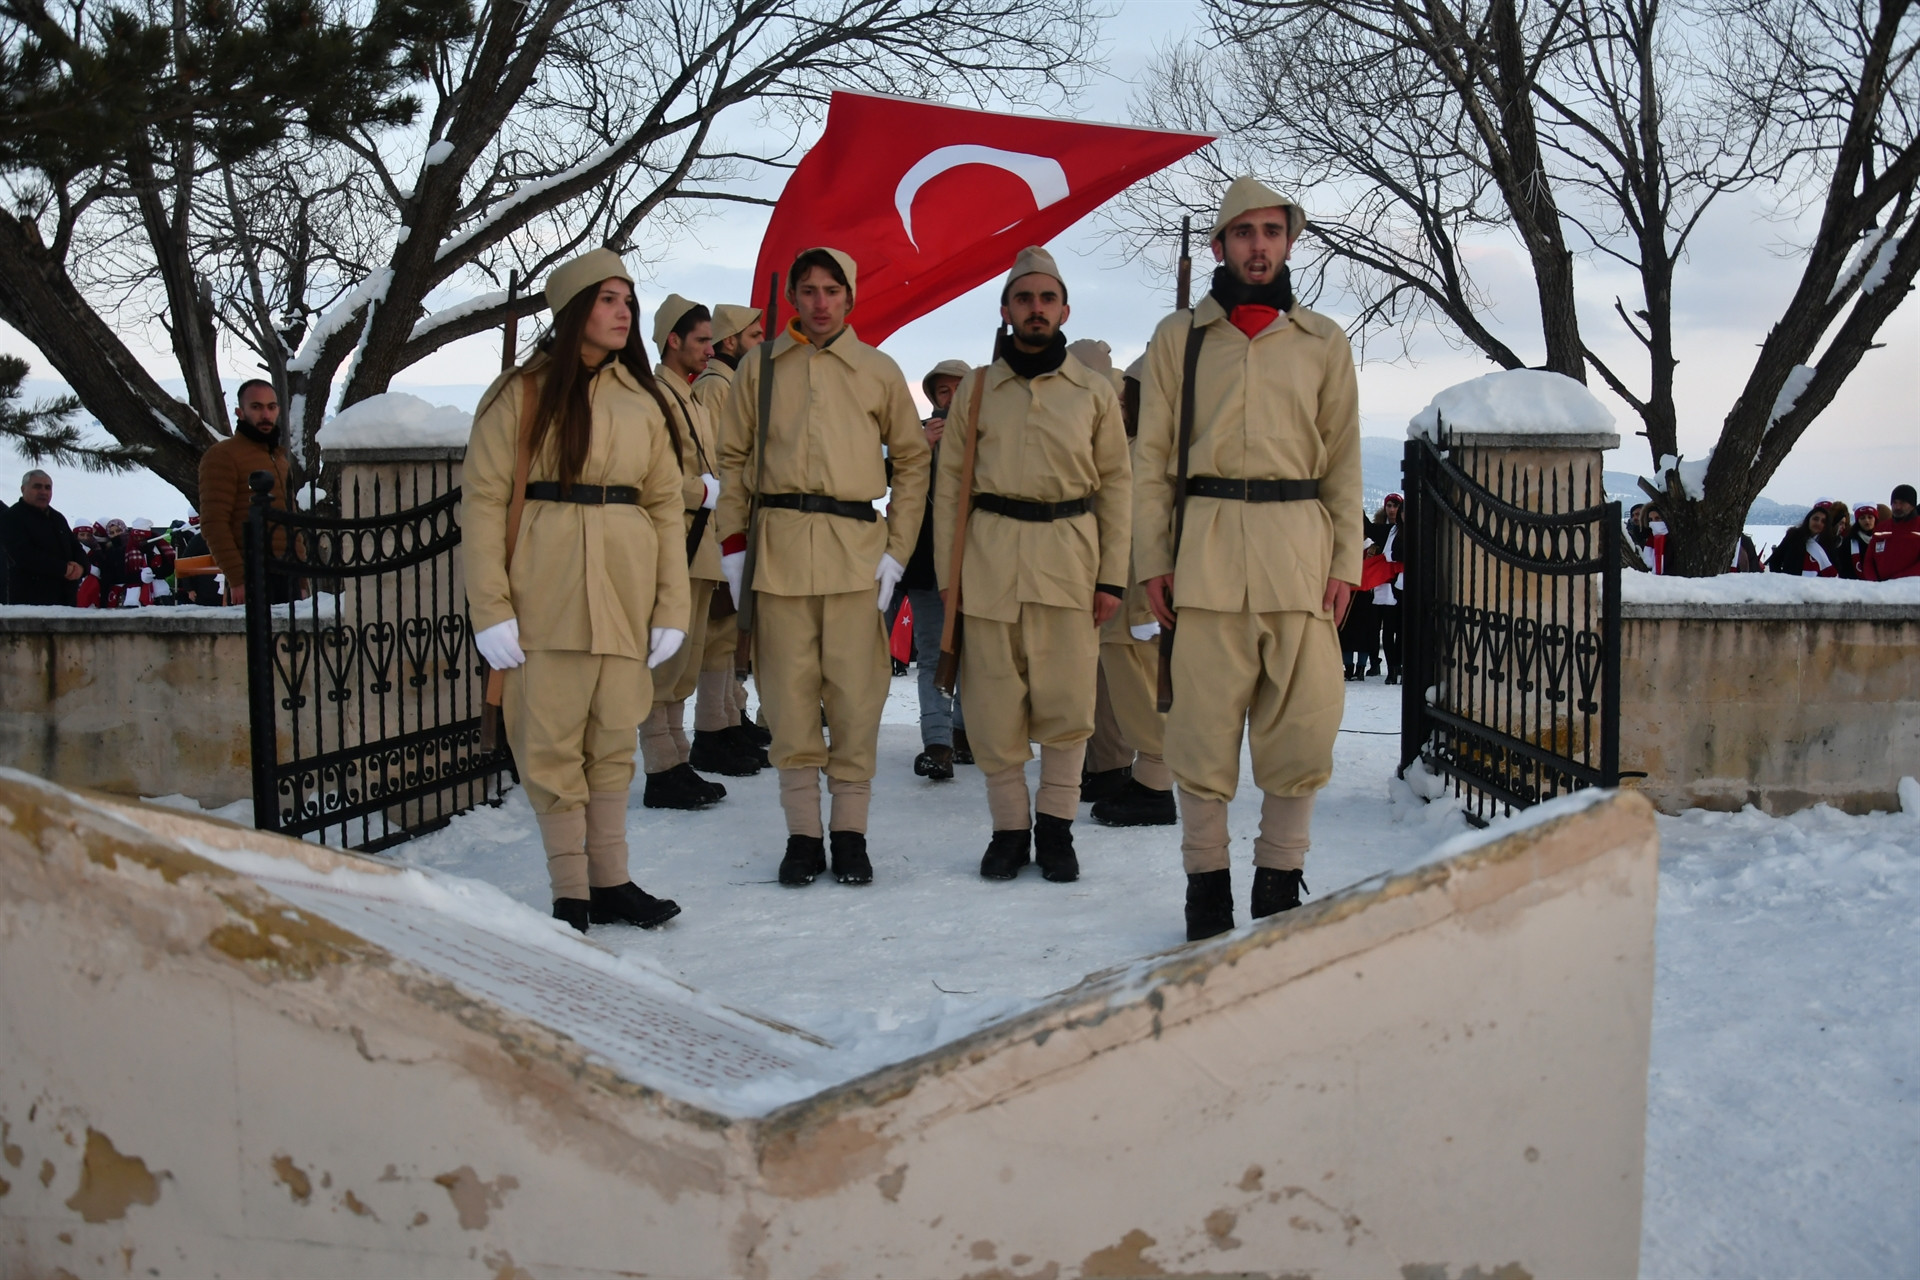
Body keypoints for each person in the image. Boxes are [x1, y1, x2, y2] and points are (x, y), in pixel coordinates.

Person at [1134, 176, 1362, 942]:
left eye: (1271, 231)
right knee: (1199, 735)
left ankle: (1278, 881)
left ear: (1289, 242)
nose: (1258, 246)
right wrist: (1152, 560)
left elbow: (1344, 461)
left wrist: (1345, 563)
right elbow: (1153, 458)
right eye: (1244, 233)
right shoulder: (1179, 339)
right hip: (1205, 556)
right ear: (1219, 246)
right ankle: (1207, 891)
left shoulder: (1324, 341)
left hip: (1298, 554)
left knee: (1302, 731)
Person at [463, 247, 690, 934]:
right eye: (608, 300)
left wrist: (671, 605)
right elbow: (482, 500)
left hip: (624, 598)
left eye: (629, 300)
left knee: (613, 740)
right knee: (552, 745)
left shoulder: (643, 400)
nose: (624, 312)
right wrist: (491, 608)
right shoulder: (520, 393)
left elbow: (665, 505)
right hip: (545, 598)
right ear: (573, 311)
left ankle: (611, 881)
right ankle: (571, 892)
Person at [717, 247, 931, 888]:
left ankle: (850, 833)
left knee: (858, 700)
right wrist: (732, 545)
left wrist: (898, 548)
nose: (818, 301)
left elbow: (913, 461)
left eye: (831, 289)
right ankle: (804, 836)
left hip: (855, 554)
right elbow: (733, 460)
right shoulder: (758, 368)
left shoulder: (878, 370)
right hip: (777, 549)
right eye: (807, 289)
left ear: (850, 296)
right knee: (786, 701)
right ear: (794, 299)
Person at [933, 247, 1131, 882]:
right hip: (990, 563)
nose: (1036, 309)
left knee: (1069, 707)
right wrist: (949, 577)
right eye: (1025, 298)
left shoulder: (1094, 393)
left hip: (1069, 562)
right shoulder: (977, 390)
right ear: (1007, 309)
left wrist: (1111, 577)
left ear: (1064, 308)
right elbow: (950, 487)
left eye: (1047, 298)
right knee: (994, 708)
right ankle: (1009, 832)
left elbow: (1117, 487)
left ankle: (1057, 830)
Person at [637, 294, 758, 807]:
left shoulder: (683, 394)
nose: (709, 350)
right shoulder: (659, 396)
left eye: (712, 340)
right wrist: (700, 492)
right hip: (676, 538)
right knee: (667, 662)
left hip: (700, 539)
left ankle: (678, 759)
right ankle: (662, 766)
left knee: (686, 661)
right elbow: (651, 474)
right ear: (673, 340)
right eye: (702, 340)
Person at [1090, 354, 1178, 828]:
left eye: (1132, 393)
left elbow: (1153, 530)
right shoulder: (1140, 446)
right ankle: (1148, 779)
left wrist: (1145, 601)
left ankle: (1155, 788)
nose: (1123, 400)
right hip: (1123, 593)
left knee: (1144, 695)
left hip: (1137, 600)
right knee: (1133, 694)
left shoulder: (1151, 452)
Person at [691, 302, 768, 745]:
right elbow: (721, 460)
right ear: (730, 341)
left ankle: (727, 719)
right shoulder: (715, 387)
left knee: (727, 631)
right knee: (717, 629)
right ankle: (714, 727)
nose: (760, 343)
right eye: (754, 336)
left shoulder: (733, 385)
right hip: (721, 524)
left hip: (735, 519)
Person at [895, 357, 971, 781]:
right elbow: (884, 474)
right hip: (926, 565)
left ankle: (963, 732)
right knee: (931, 654)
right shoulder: (918, 436)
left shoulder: (992, 435)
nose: (952, 399)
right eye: (944, 392)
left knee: (975, 657)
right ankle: (937, 744)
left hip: (980, 564)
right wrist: (919, 448)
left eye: (960, 390)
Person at [197, 379, 297, 604]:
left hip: (287, 571)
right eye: (256, 407)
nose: (265, 414)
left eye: (271, 407)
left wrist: (300, 580)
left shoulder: (280, 459)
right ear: (240, 412)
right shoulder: (222, 455)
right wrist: (237, 578)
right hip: (252, 571)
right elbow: (214, 523)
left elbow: (292, 520)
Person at [0, 469, 86, 605]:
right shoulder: (12, 517)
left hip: (66, 602)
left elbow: (76, 548)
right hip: (30, 603)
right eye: (37, 486)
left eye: (47, 487)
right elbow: (23, 555)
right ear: (23, 489)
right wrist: (63, 569)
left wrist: (81, 567)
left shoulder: (58, 518)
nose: (43, 492)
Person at [1369, 494, 1405, 684]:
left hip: (1401, 584)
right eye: (1389, 506)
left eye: (1396, 506)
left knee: (1401, 629)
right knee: (1386, 630)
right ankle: (1391, 668)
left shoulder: (1410, 530)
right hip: (1387, 584)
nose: (1393, 509)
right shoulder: (1387, 531)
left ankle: (1399, 665)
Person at [1862, 484, 1920, 580]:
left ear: (1912, 505)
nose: (1897, 507)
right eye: (1894, 503)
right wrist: (1873, 583)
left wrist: (1896, 581)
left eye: (1902, 503)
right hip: (1881, 591)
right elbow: (1869, 560)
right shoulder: (1881, 528)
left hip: (1911, 589)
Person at [1767, 505, 1838, 576]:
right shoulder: (1793, 536)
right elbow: (1775, 560)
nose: (1818, 523)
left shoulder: (1828, 543)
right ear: (1809, 519)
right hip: (1791, 584)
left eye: (1823, 521)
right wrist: (1781, 580)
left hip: (1816, 585)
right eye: (1815, 519)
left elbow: (1834, 568)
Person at [1847, 504, 1878, 574]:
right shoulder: (1849, 541)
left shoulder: (1883, 539)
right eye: (1862, 518)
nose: (1867, 521)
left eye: (1870, 517)